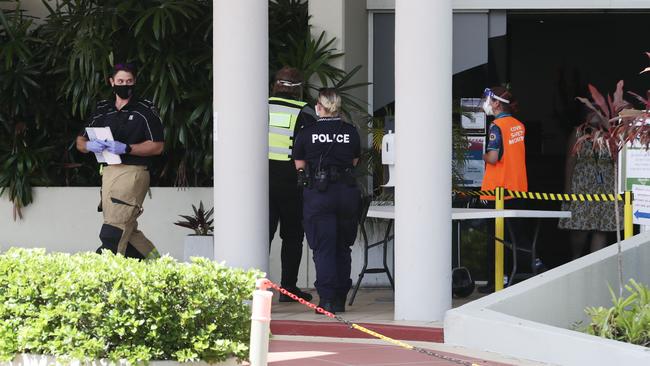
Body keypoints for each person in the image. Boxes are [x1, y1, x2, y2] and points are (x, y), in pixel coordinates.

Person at [76, 62, 164, 260]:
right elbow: (80, 141)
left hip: (133, 172)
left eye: (129, 81)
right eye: (120, 81)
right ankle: (159, 266)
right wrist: (89, 146)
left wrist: (128, 148)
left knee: (113, 230)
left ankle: (101, 274)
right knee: (127, 228)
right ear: (112, 82)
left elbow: (158, 146)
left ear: (135, 82)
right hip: (108, 173)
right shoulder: (102, 109)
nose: (125, 85)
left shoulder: (145, 109)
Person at [293, 88, 361, 314]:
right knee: (343, 246)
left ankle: (327, 300)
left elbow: (299, 165)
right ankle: (340, 299)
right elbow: (354, 161)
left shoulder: (307, 131)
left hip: (319, 195)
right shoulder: (349, 131)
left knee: (323, 248)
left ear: (319, 107)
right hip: (346, 193)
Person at [268, 67, 317, 302]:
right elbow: (311, 147)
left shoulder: (260, 105)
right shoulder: (304, 111)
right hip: (292, 181)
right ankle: (288, 289)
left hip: (262, 181)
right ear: (299, 89)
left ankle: (256, 289)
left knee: (261, 234)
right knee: (293, 236)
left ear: (275, 85)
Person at [478, 86, 528, 293]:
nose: (486, 103)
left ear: (497, 103)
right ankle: (516, 277)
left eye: (488, 100)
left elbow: (493, 157)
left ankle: (496, 281)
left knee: (496, 239)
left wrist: (478, 154)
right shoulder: (518, 125)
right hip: (517, 189)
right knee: (514, 237)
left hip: (497, 192)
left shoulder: (496, 126)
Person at [558, 112, 620, 259]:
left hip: (606, 184)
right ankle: (576, 258)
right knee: (580, 227)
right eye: (591, 109)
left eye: (599, 109)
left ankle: (595, 264)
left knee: (601, 227)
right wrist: (567, 189)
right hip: (582, 185)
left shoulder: (611, 134)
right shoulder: (578, 132)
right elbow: (570, 161)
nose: (594, 113)